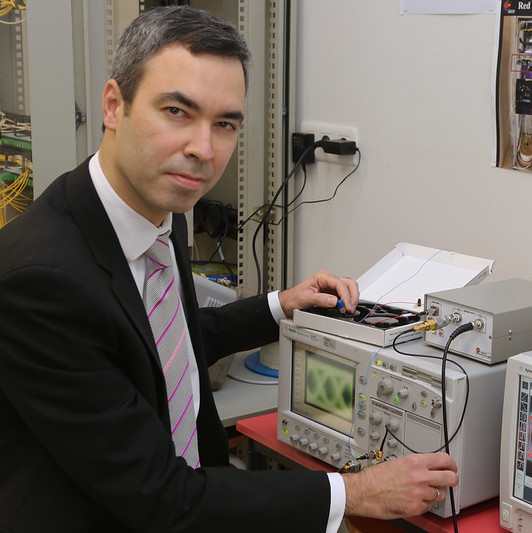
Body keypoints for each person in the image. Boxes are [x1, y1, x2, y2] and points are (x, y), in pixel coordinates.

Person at [0, 6, 457, 532]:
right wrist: (353, 491)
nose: (203, 150)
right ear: (113, 105)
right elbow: (160, 498)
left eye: (225, 124)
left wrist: (279, 307)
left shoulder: (157, 207)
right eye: (176, 112)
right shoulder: (41, 282)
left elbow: (158, 341)